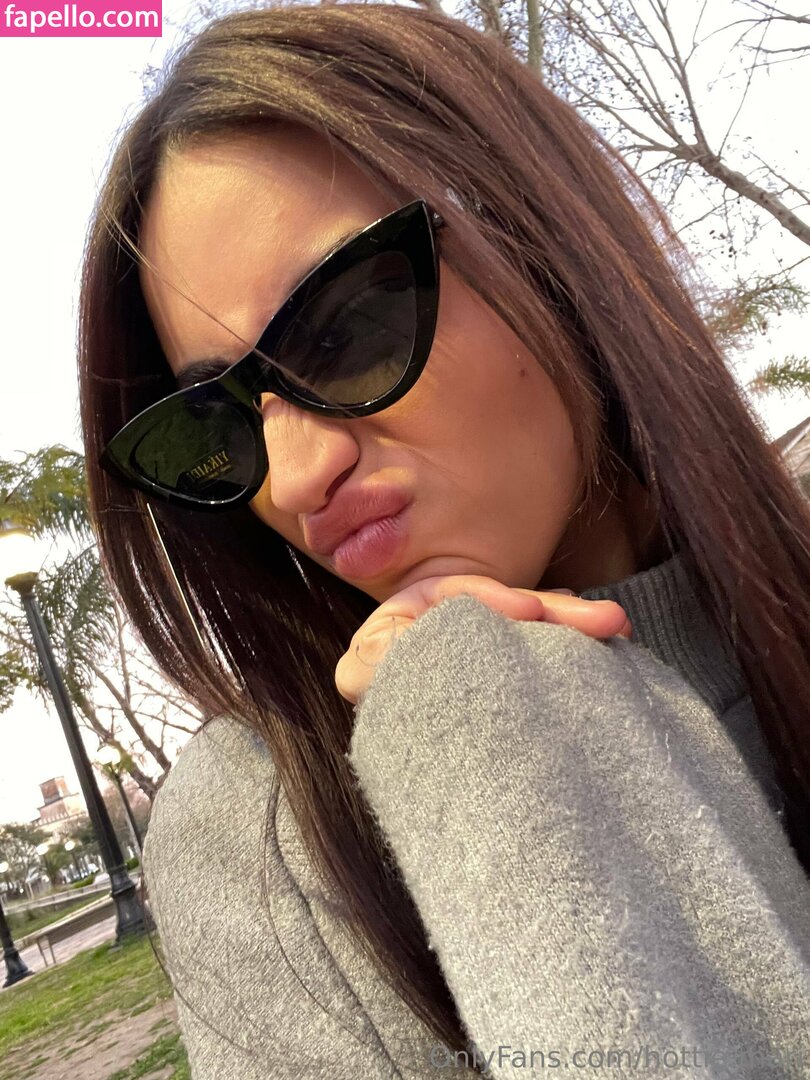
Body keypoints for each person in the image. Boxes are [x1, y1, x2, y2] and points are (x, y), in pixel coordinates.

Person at [77, 4, 810, 1077]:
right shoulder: (260, 839)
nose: (296, 476)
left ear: (547, 242)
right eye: (215, 423)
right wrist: (467, 716)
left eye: (349, 327)